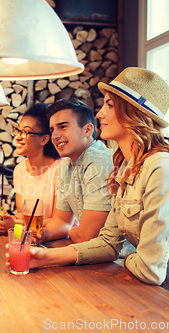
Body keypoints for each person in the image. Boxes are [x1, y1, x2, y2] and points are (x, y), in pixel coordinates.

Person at [10, 68, 169, 326]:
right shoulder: (126, 168)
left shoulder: (162, 168)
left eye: (109, 105)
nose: (100, 113)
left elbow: (149, 269)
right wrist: (45, 257)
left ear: (132, 113)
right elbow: (108, 242)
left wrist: (124, 257)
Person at [0, 103, 70, 239]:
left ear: (44, 139)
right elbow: (21, 214)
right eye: (17, 130)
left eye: (25, 132)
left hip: (59, 241)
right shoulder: (20, 170)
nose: (18, 137)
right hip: (30, 239)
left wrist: (15, 224)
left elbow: (58, 221)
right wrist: (5, 220)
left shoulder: (61, 170)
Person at [36, 98, 112, 244]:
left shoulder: (99, 161)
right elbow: (62, 221)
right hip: (92, 254)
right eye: (52, 130)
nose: (55, 136)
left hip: (120, 260)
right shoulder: (66, 165)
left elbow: (88, 237)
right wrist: (42, 235)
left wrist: (73, 232)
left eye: (63, 127)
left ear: (87, 130)